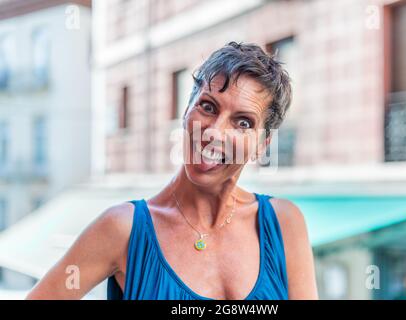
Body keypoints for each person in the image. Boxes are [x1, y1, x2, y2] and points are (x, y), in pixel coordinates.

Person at [26, 41, 318, 300]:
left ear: (261, 146)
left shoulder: (283, 224)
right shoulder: (122, 229)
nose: (214, 133)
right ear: (186, 111)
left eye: (243, 123)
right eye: (207, 106)